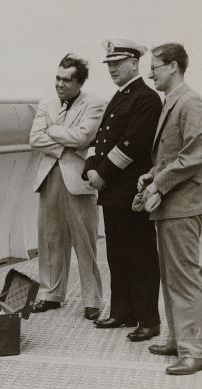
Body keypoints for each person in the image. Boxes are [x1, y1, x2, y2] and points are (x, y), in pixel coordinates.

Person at [138, 42, 202, 375]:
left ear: (172, 67)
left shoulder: (191, 102)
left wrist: (158, 183)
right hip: (171, 205)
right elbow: (173, 154)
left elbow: (194, 155)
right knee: (171, 277)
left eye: (154, 67)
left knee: (185, 278)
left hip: (183, 205)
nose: (150, 72)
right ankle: (179, 340)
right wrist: (152, 174)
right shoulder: (173, 102)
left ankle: (196, 351)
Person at [82, 39, 161, 341]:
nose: (112, 68)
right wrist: (89, 168)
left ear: (134, 63)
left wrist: (101, 174)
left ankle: (149, 320)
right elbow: (99, 138)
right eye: (109, 64)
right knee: (117, 254)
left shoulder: (146, 98)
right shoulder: (120, 96)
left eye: (118, 63)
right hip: (112, 191)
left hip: (130, 191)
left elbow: (132, 142)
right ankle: (122, 311)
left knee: (139, 255)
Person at [29, 53, 104, 320]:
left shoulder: (94, 104)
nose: (60, 84)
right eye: (57, 78)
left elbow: (85, 136)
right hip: (50, 177)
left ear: (79, 82)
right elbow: (34, 139)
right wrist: (67, 144)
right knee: (49, 238)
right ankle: (50, 294)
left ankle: (92, 300)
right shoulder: (46, 103)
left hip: (79, 179)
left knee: (85, 240)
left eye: (66, 80)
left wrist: (53, 131)